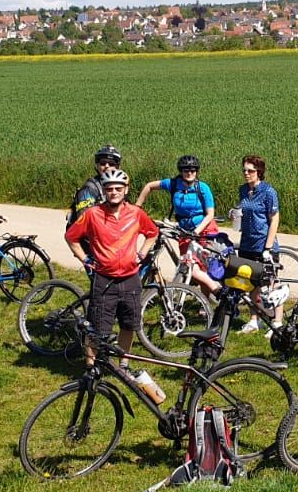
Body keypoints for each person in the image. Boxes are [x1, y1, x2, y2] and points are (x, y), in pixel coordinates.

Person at [65, 168, 156, 363]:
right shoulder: (92, 214)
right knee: (96, 328)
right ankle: (91, 368)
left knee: (128, 325)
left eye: (118, 188)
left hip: (131, 279)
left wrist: (142, 252)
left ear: (126, 190)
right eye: (109, 189)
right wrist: (84, 259)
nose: (114, 192)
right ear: (104, 191)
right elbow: (71, 237)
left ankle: (123, 364)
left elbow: (152, 233)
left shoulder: (136, 213)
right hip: (104, 280)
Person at [135, 154, 221, 294]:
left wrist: (196, 232)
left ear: (197, 171)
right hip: (185, 231)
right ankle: (212, 292)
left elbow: (210, 214)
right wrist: (137, 208)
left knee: (204, 267)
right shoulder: (174, 184)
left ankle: (210, 295)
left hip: (204, 230)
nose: (189, 173)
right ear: (181, 171)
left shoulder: (202, 188)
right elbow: (149, 186)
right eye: (186, 170)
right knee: (190, 267)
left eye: (193, 170)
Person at [236, 155, 282, 333]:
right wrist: (235, 214)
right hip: (247, 242)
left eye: (250, 171)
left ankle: (277, 321)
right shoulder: (243, 190)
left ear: (259, 172)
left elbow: (274, 219)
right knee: (251, 283)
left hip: (263, 243)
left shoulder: (268, 192)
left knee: (271, 283)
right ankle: (255, 319)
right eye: (244, 170)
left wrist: (268, 248)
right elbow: (244, 210)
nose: (246, 174)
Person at [68, 144, 121, 231]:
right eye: (103, 163)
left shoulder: (120, 187)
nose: (107, 166)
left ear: (117, 166)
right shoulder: (89, 188)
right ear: (97, 165)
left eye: (111, 164)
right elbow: (84, 219)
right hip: (87, 235)